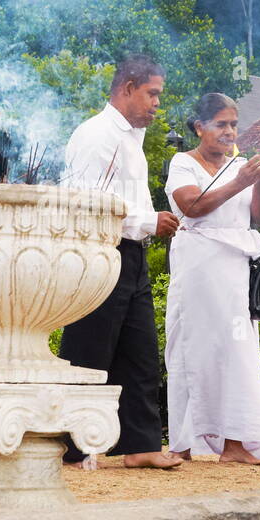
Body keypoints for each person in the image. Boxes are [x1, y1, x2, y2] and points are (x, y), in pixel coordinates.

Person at [59, 54, 182, 470]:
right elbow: (84, 204)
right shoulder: (96, 135)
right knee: (89, 349)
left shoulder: (132, 137)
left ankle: (141, 444)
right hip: (98, 251)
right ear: (127, 87)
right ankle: (73, 447)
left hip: (131, 252)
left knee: (141, 350)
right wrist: (150, 220)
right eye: (152, 94)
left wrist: (146, 225)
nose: (156, 104)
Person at [164, 93, 260, 464]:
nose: (230, 131)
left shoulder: (240, 164)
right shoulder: (183, 162)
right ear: (200, 127)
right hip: (199, 265)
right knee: (193, 346)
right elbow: (192, 207)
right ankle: (183, 443)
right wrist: (240, 179)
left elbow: (258, 217)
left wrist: (259, 180)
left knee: (236, 349)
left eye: (233, 124)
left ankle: (234, 443)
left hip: (234, 267)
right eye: (221, 124)